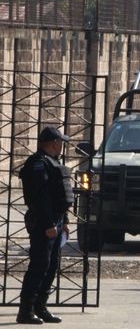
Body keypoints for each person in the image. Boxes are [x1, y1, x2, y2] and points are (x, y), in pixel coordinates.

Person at [16, 127, 73, 324]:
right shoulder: (38, 165)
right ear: (52, 143)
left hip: (55, 221)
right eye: (61, 141)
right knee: (39, 265)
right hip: (43, 222)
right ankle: (26, 311)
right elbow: (39, 199)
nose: (62, 145)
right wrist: (49, 224)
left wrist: (64, 221)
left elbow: (57, 196)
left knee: (50, 266)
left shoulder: (52, 163)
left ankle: (41, 307)